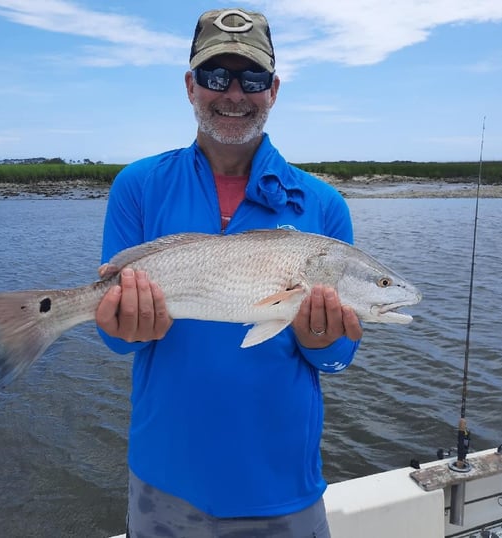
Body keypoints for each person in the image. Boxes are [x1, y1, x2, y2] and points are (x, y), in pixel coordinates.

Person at [95, 7, 363, 538]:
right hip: (164, 477)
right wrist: (120, 326)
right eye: (217, 76)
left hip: (282, 483)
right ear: (190, 86)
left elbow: (336, 358)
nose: (234, 94)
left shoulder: (322, 205)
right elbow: (120, 342)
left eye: (253, 78)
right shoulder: (138, 186)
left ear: (275, 89)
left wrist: (322, 340)